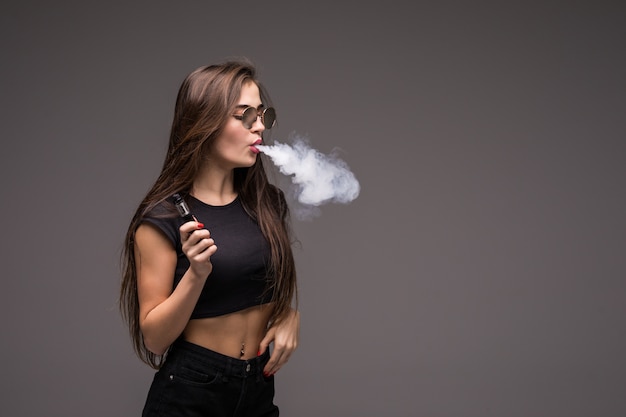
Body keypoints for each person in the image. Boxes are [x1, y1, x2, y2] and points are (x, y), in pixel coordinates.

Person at [119, 59, 300, 416]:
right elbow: (155, 339)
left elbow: (261, 288)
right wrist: (196, 274)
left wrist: (289, 315)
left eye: (262, 115)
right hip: (193, 390)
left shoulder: (267, 204)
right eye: (245, 115)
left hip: (258, 386)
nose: (259, 126)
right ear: (203, 123)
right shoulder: (163, 219)